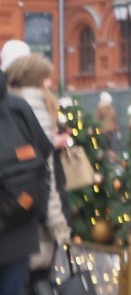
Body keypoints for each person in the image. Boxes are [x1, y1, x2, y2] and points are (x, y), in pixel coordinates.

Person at [5, 54, 72, 290]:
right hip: (27, 221)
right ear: (35, 79)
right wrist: (58, 223)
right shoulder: (31, 107)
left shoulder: (12, 103)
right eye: (46, 78)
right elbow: (46, 171)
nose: (50, 84)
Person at [0, 68, 53, 295]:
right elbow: (44, 160)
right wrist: (34, 211)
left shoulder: (18, 107)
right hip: (19, 231)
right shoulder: (17, 107)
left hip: (17, 235)